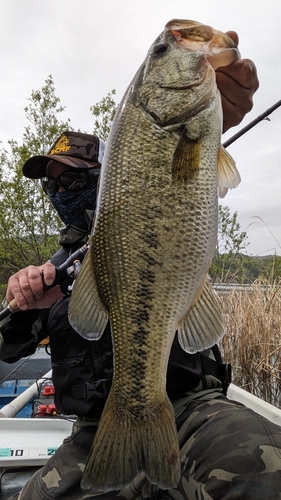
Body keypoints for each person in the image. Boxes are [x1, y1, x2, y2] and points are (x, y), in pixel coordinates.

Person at [1, 31, 277, 500]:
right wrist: (24, 305)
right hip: (95, 431)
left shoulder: (144, 186)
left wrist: (211, 118)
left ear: (105, 174)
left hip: (192, 408)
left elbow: (175, 169)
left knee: (261, 465)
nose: (61, 192)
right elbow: (8, 349)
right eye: (52, 185)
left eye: (71, 179)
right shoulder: (56, 268)